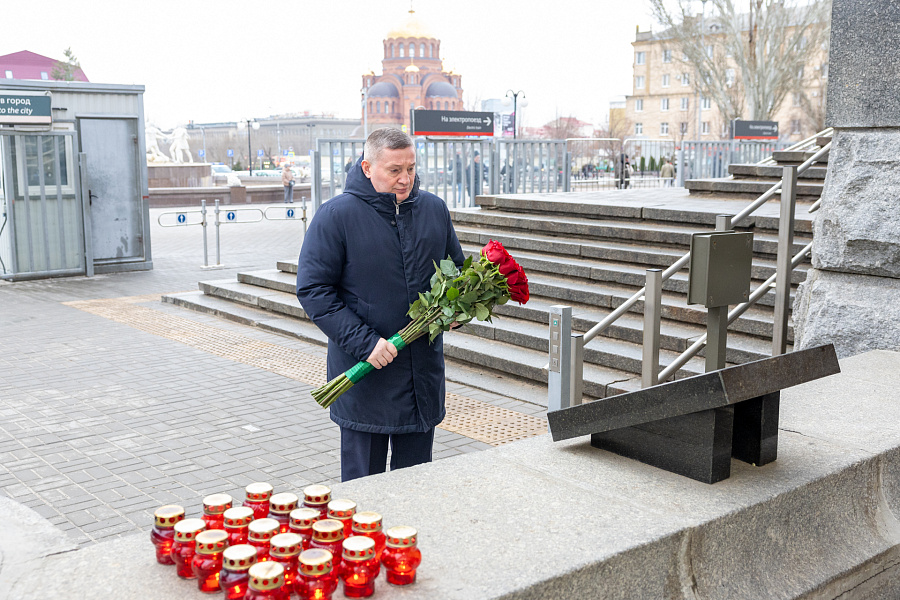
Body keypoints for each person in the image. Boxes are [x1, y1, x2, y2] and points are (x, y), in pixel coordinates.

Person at [295, 128, 464, 482]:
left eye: (411, 169)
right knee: (364, 493)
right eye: (394, 170)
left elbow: (456, 272)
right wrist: (365, 343)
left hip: (421, 379)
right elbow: (314, 290)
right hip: (367, 378)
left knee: (415, 486)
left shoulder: (433, 209)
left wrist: (456, 312)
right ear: (367, 166)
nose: (405, 179)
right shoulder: (335, 215)